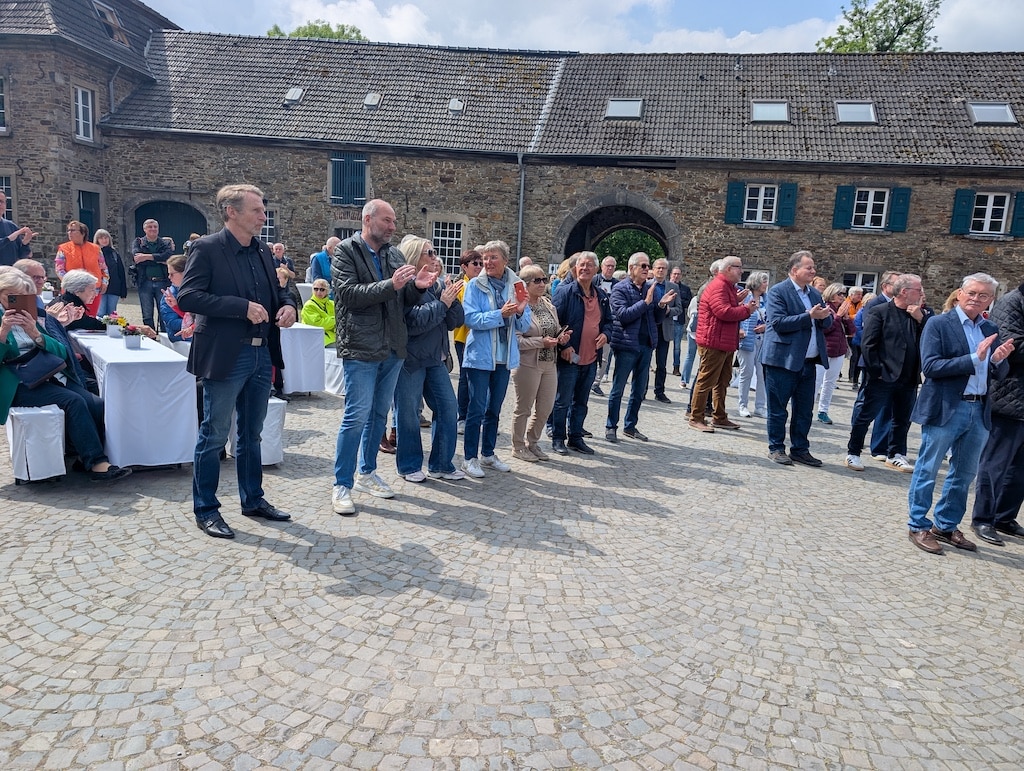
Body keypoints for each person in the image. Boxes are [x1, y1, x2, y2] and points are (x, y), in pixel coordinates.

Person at [177, 183, 297, 539]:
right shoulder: (207, 248)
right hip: (226, 354)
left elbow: (280, 291)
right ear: (231, 212)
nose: (263, 216)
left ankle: (253, 499)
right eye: (257, 210)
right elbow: (188, 297)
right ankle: (207, 509)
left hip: (261, 354)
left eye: (263, 210)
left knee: (252, 434)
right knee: (214, 434)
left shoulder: (261, 250)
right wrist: (240, 307)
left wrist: (289, 304)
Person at [331, 199, 437, 514]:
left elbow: (402, 297)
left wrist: (416, 287)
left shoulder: (394, 254)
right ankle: (341, 484)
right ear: (368, 219)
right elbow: (349, 295)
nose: (393, 227)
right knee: (356, 415)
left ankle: (367, 472)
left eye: (393, 222)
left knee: (378, 415)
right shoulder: (345, 251)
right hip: (361, 347)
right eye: (387, 221)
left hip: (393, 346)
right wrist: (391, 284)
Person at [906, 273, 1013, 555]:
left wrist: (998, 360)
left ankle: (946, 524)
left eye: (984, 295)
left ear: (991, 299)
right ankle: (918, 524)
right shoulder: (938, 324)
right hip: (946, 407)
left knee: (964, 474)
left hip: (979, 408)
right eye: (972, 293)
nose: (976, 299)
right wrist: (973, 358)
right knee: (928, 468)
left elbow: (998, 373)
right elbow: (930, 367)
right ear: (960, 293)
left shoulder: (990, 327)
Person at [0, 269, 130, 482]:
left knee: (96, 403)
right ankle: (97, 462)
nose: (17, 303)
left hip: (46, 373)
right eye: (11, 297)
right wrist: (3, 332)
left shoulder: (36, 314)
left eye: (24, 297)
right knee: (73, 401)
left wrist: (35, 333)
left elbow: (61, 351)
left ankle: (81, 454)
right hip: (16, 381)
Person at [395, 237, 465, 482]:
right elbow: (413, 322)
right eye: (430, 253)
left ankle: (441, 464)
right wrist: (442, 304)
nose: (436, 257)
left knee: (448, 408)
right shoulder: (405, 286)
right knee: (408, 414)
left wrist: (451, 298)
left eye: (435, 253)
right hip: (411, 360)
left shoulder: (436, 286)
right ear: (415, 257)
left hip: (435, 358)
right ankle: (409, 465)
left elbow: (454, 322)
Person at [461, 239, 531, 477]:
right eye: (485, 258)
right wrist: (499, 314)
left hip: (503, 357)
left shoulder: (517, 284)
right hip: (480, 356)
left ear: (505, 260)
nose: (487, 262)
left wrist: (520, 312)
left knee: (494, 408)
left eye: (493, 257)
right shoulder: (474, 286)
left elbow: (525, 323)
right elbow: (470, 319)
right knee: (477, 408)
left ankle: (488, 454)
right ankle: (469, 458)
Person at [844, 274, 927, 472]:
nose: (922, 293)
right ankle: (853, 452)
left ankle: (895, 453)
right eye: (918, 289)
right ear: (905, 292)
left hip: (908, 377)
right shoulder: (880, 311)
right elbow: (869, 344)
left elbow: (928, 340)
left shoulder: (917, 314)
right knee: (866, 415)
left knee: (902, 418)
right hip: (882, 375)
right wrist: (877, 371)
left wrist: (921, 320)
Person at [760, 250, 832, 466]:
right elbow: (778, 323)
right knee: (778, 407)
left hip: (808, 362)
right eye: (809, 267)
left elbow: (824, 325)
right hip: (781, 360)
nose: (813, 271)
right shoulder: (777, 292)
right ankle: (776, 447)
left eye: (813, 267)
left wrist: (826, 317)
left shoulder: (814, 294)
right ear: (794, 270)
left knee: (804, 410)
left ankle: (800, 449)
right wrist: (809, 316)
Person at [972, 277, 1024, 545]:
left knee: (1020, 469)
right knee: (995, 465)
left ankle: (1005, 517)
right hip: (1009, 397)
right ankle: (983, 518)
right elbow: (1012, 347)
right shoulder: (1012, 302)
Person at [551, 252, 610, 455]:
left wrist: (606, 334)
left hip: (591, 358)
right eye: (581, 265)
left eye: (589, 265)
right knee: (562, 400)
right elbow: (553, 323)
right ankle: (558, 437)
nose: (584, 268)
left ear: (596, 270)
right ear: (575, 269)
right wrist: (563, 347)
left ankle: (575, 438)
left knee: (582, 402)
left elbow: (609, 323)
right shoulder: (565, 292)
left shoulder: (601, 296)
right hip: (569, 357)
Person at [688, 255, 755, 433]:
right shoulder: (719, 286)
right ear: (727, 269)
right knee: (706, 381)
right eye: (738, 267)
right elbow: (723, 312)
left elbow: (725, 308)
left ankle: (719, 416)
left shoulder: (728, 287)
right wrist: (746, 310)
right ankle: (696, 417)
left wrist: (738, 302)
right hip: (714, 342)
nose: (741, 270)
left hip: (724, 342)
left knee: (723, 381)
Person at [513, 264, 569, 461]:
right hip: (528, 363)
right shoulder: (520, 306)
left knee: (545, 407)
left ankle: (533, 443)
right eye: (537, 280)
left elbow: (554, 329)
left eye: (544, 279)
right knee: (524, 408)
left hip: (549, 362)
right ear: (525, 284)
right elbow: (516, 340)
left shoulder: (548, 303)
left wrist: (561, 337)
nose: (542, 283)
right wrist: (540, 342)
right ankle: (518, 446)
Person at [605, 252, 660, 443]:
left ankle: (630, 426)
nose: (647, 269)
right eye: (643, 266)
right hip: (626, 345)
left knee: (639, 390)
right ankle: (611, 426)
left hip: (646, 345)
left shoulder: (650, 288)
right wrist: (645, 303)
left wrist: (662, 306)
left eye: (648, 266)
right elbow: (623, 315)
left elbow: (655, 318)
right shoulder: (619, 289)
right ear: (631, 268)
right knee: (618, 389)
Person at [453, 249, 484, 434]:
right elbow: (464, 313)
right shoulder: (461, 287)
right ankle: (462, 417)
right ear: (464, 267)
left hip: (482, 337)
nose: (479, 267)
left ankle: (477, 416)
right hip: (464, 338)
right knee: (465, 378)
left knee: (480, 380)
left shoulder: (484, 285)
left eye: (481, 264)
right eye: (475, 264)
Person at [814, 283, 854, 425]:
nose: (843, 297)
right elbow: (825, 329)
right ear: (832, 294)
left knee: (829, 383)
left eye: (844, 294)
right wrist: (837, 316)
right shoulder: (825, 308)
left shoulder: (841, 310)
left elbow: (851, 332)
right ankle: (807, 410)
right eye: (840, 294)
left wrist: (846, 319)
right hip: (825, 349)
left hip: (839, 350)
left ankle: (823, 410)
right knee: (816, 381)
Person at [56, 221, 108, 316]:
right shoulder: (63, 249)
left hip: (93, 291)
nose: (69, 233)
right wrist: (69, 283)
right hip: (72, 292)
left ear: (83, 233)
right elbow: (59, 269)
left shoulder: (96, 249)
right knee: (73, 318)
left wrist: (105, 282)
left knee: (91, 318)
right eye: (68, 230)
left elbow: (104, 268)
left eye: (73, 230)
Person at [735, 271, 769, 418]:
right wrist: (740, 329)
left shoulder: (767, 300)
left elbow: (773, 318)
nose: (766, 285)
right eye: (763, 281)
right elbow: (738, 315)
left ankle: (760, 406)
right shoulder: (745, 297)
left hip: (763, 340)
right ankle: (742, 405)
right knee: (746, 373)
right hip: (747, 339)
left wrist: (766, 327)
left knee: (762, 374)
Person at [132, 219, 175, 330]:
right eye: (150, 227)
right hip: (145, 282)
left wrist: (146, 256)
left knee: (164, 311)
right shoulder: (138, 242)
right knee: (147, 313)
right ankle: (150, 336)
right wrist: (159, 259)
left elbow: (168, 256)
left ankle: (164, 337)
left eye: (155, 227)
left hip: (162, 282)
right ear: (144, 229)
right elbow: (137, 258)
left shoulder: (165, 243)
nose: (153, 229)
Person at [649, 258, 681, 404]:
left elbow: (679, 309)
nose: (661, 270)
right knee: (644, 362)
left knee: (661, 364)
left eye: (663, 268)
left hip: (664, 329)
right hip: (649, 328)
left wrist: (668, 310)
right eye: (658, 268)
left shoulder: (673, 287)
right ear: (653, 269)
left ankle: (659, 391)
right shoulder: (647, 285)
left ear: (667, 271)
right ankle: (641, 390)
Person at [592, 256, 620, 395]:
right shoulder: (594, 280)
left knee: (604, 356)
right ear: (602, 267)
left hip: (608, 324)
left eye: (612, 266)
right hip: (592, 322)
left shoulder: (617, 284)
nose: (610, 268)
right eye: (607, 265)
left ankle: (596, 382)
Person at [159, 254, 195, 343]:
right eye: (168, 274)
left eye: (172, 274)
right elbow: (171, 322)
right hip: (179, 335)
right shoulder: (169, 294)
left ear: (185, 273)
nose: (169, 277)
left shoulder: (198, 289)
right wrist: (193, 326)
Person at [94, 229, 128, 317]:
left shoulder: (114, 254)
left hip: (114, 288)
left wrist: (123, 291)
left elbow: (121, 272)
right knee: (100, 313)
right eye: (101, 238)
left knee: (111, 314)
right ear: (97, 240)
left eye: (106, 238)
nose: (104, 240)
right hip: (99, 288)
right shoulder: (94, 253)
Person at [0, 191, 36, 266]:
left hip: (10, 273)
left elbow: (22, 256)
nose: (0, 204)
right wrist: (8, 239)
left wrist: (25, 243)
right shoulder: (14, 233)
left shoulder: (11, 226)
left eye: (2, 202)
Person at [670, 266, 693, 377]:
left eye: (678, 274)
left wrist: (677, 301)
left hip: (678, 320)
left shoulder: (685, 289)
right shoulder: (666, 287)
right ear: (671, 275)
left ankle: (676, 367)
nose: (676, 276)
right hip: (666, 320)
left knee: (677, 346)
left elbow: (688, 302)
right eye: (674, 274)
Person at [300, 278, 336, 346]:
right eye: (316, 289)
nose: (318, 292)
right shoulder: (309, 305)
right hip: (316, 339)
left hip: (332, 337)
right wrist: (335, 320)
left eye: (322, 289)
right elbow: (318, 324)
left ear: (327, 291)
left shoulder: (332, 304)